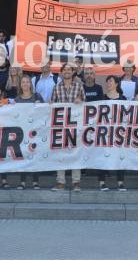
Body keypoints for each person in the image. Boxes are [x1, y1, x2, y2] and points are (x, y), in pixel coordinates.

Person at [51, 63, 85, 192]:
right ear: (61, 72)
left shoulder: (79, 86)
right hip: (60, 125)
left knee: (76, 152)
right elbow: (53, 104)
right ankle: (60, 182)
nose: (66, 71)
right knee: (60, 152)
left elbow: (86, 105)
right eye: (64, 70)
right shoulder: (56, 87)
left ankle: (76, 182)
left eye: (69, 70)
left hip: (76, 125)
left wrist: (80, 102)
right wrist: (50, 104)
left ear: (73, 72)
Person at [13, 75, 43, 190]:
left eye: (27, 82)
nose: (25, 84)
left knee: (35, 156)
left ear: (31, 84)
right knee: (23, 157)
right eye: (23, 82)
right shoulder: (17, 99)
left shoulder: (37, 96)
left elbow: (44, 111)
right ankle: (23, 182)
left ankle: (35, 181)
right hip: (22, 132)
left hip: (35, 131)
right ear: (20, 85)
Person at [97, 75, 127, 191]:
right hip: (105, 133)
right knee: (103, 156)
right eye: (107, 81)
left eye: (111, 81)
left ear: (116, 84)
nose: (108, 83)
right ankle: (102, 182)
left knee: (120, 156)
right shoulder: (102, 98)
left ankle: (120, 182)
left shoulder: (123, 99)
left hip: (118, 133)